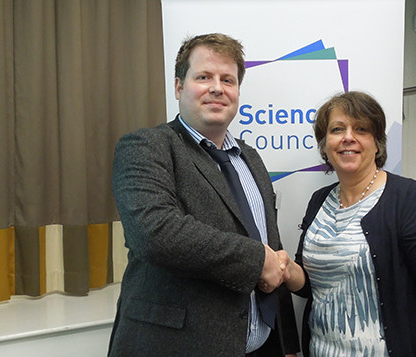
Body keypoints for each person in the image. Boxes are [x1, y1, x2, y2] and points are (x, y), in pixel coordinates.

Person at [108, 33, 299, 356]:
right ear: (179, 87)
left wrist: (287, 343)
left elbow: (271, 247)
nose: (217, 88)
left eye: (228, 79)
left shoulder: (250, 158)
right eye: (204, 77)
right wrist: (257, 260)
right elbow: (155, 233)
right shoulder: (147, 147)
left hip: (262, 346)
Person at [272, 91, 416, 356]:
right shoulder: (319, 201)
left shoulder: (408, 198)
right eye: (337, 129)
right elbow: (313, 286)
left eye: (361, 129)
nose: (349, 137)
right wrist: (287, 269)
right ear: (325, 145)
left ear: (378, 143)